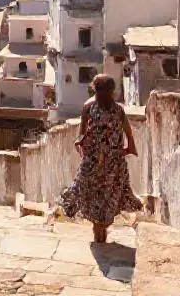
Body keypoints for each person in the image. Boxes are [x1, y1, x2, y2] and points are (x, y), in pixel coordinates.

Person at [57, 74, 142, 243]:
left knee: (97, 195)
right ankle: (100, 231)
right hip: (107, 162)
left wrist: (81, 143)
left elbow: (83, 132)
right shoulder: (111, 109)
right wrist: (129, 147)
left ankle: (99, 232)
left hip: (101, 162)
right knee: (104, 196)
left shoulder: (96, 107)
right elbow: (127, 131)